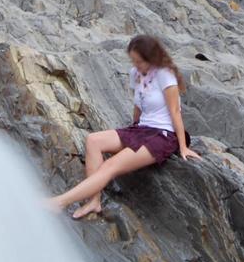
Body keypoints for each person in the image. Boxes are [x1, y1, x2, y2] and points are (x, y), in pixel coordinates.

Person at [50, 34, 201, 218]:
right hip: (141, 129)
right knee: (93, 140)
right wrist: (130, 133)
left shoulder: (164, 74)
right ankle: (94, 201)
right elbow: (138, 105)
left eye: (139, 61)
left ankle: (60, 202)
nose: (136, 65)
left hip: (163, 135)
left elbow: (175, 111)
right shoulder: (135, 74)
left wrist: (183, 147)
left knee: (111, 165)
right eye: (133, 60)